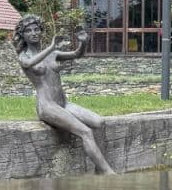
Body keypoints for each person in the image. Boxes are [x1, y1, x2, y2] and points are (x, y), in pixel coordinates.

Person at [12, 14, 115, 174]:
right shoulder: (24, 56)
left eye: (36, 29)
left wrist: (83, 42)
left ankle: (99, 169)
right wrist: (51, 47)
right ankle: (109, 174)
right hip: (47, 106)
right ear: (23, 35)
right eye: (28, 31)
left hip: (64, 103)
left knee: (99, 122)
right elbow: (29, 63)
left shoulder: (52, 54)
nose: (34, 33)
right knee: (85, 132)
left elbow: (77, 54)